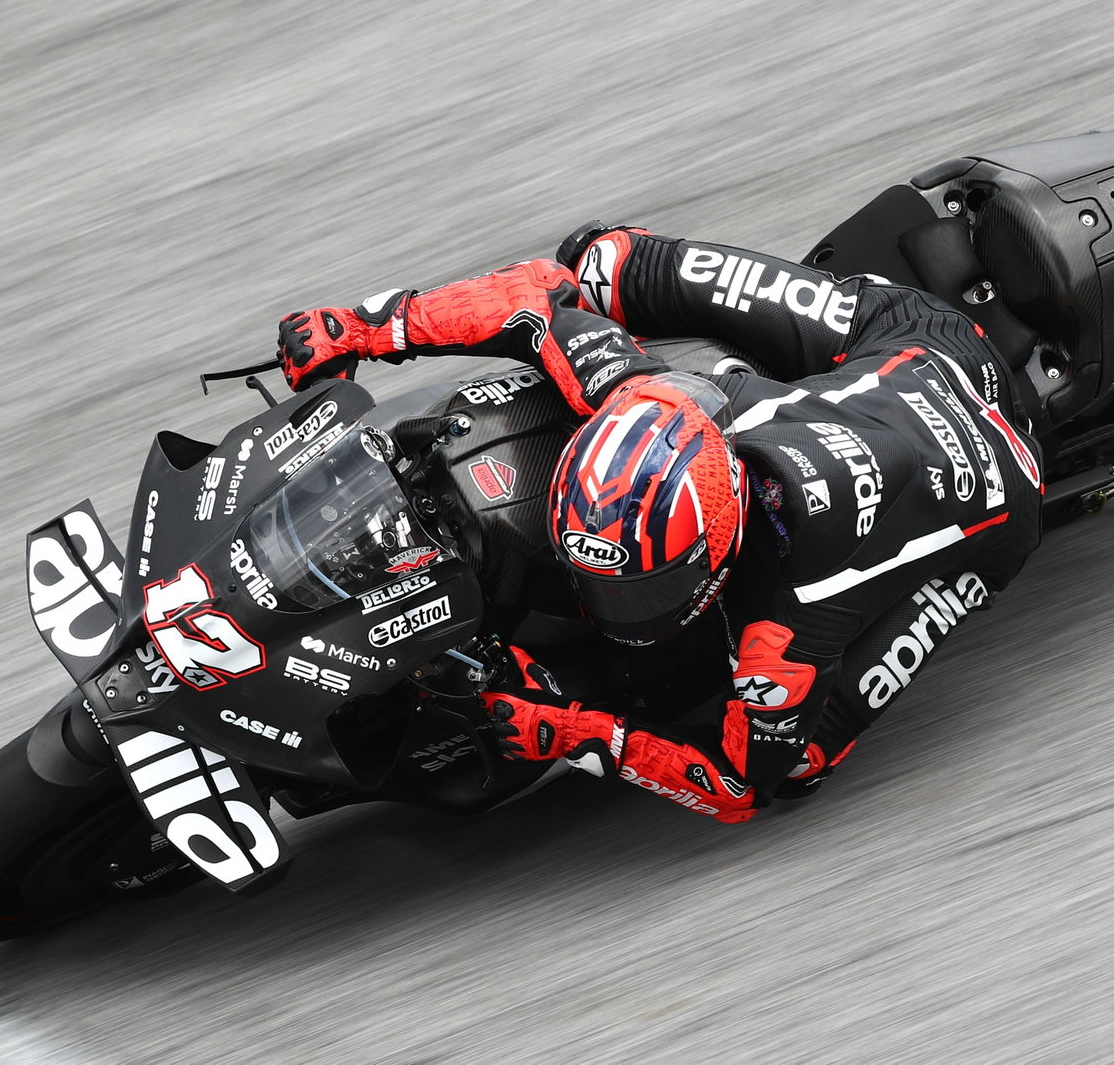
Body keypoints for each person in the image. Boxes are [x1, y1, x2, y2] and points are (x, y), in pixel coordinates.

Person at [275, 224, 1043, 823]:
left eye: (637, 590)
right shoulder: (638, 392)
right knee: (602, 260)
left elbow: (739, 786)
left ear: (718, 548)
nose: (610, 606)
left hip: (996, 465)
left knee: (800, 760)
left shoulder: (785, 626)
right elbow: (531, 301)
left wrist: (579, 732)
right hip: (896, 364)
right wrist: (366, 327)